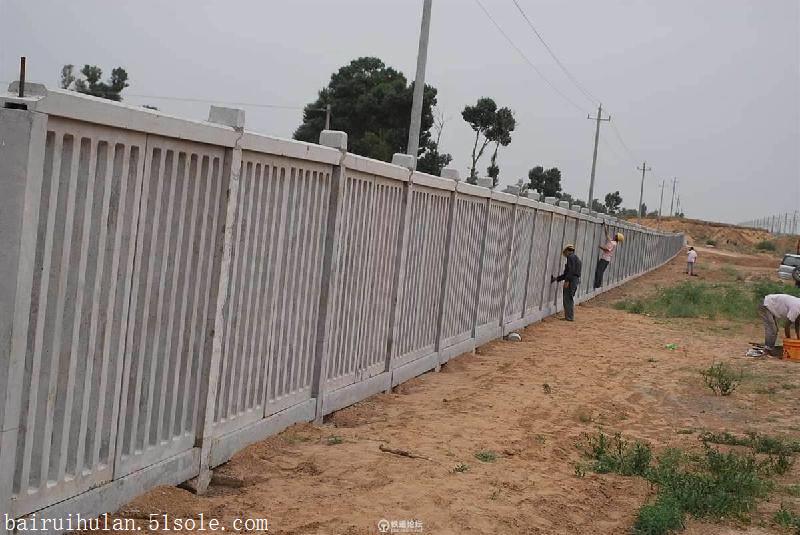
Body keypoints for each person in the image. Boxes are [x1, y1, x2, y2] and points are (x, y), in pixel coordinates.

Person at [551, 244, 582, 321]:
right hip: (574, 279)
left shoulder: (570, 257)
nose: (564, 254)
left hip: (571, 280)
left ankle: (569, 317)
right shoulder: (575, 258)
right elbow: (567, 273)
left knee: (567, 298)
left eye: (565, 252)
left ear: (568, 251)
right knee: (569, 298)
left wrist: (567, 281)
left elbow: (571, 271)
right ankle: (569, 316)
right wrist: (557, 279)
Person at [594, 223, 624, 289]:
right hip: (606, 259)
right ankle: (598, 284)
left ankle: (597, 285)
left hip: (605, 259)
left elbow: (607, 249)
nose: (614, 235)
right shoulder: (613, 242)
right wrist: (605, 226)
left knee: (599, 271)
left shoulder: (612, 243)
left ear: (617, 238)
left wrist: (600, 247)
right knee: (600, 271)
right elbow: (607, 235)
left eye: (616, 235)